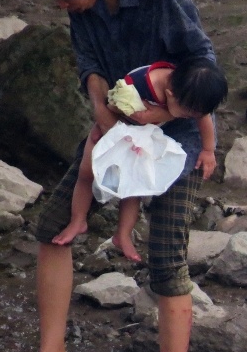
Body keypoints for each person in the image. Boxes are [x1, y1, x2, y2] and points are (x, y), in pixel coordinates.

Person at [2, 0, 223, 352]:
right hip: (118, 132)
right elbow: (89, 63)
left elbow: (203, 63)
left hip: (176, 140)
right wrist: (102, 110)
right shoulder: (84, 3)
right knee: (54, 226)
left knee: (167, 263)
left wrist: (166, 115)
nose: (62, 5)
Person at [51, 57, 225, 264]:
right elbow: (112, 105)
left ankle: (122, 235)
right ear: (170, 95)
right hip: (114, 127)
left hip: (142, 137)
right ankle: (78, 220)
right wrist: (135, 115)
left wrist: (208, 150)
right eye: (187, 114)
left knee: (134, 188)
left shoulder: (188, 93)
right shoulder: (139, 84)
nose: (191, 118)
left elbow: (202, 117)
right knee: (86, 173)